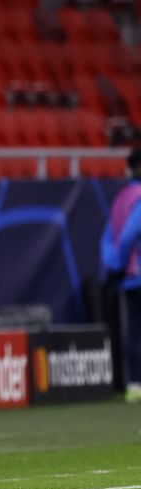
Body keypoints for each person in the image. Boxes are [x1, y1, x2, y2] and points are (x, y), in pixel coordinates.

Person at [101, 147, 141, 402]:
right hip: (136, 274)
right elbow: (128, 235)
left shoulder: (121, 198)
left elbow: (107, 238)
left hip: (126, 278)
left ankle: (134, 383)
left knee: (132, 333)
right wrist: (120, 263)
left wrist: (113, 266)